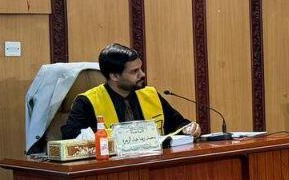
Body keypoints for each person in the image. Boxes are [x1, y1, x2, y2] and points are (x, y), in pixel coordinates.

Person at [60, 43, 202, 139]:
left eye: (140, 68)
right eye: (134, 71)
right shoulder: (87, 102)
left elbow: (179, 124)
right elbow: (70, 138)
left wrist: (189, 128)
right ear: (114, 76)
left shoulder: (150, 95)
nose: (142, 74)